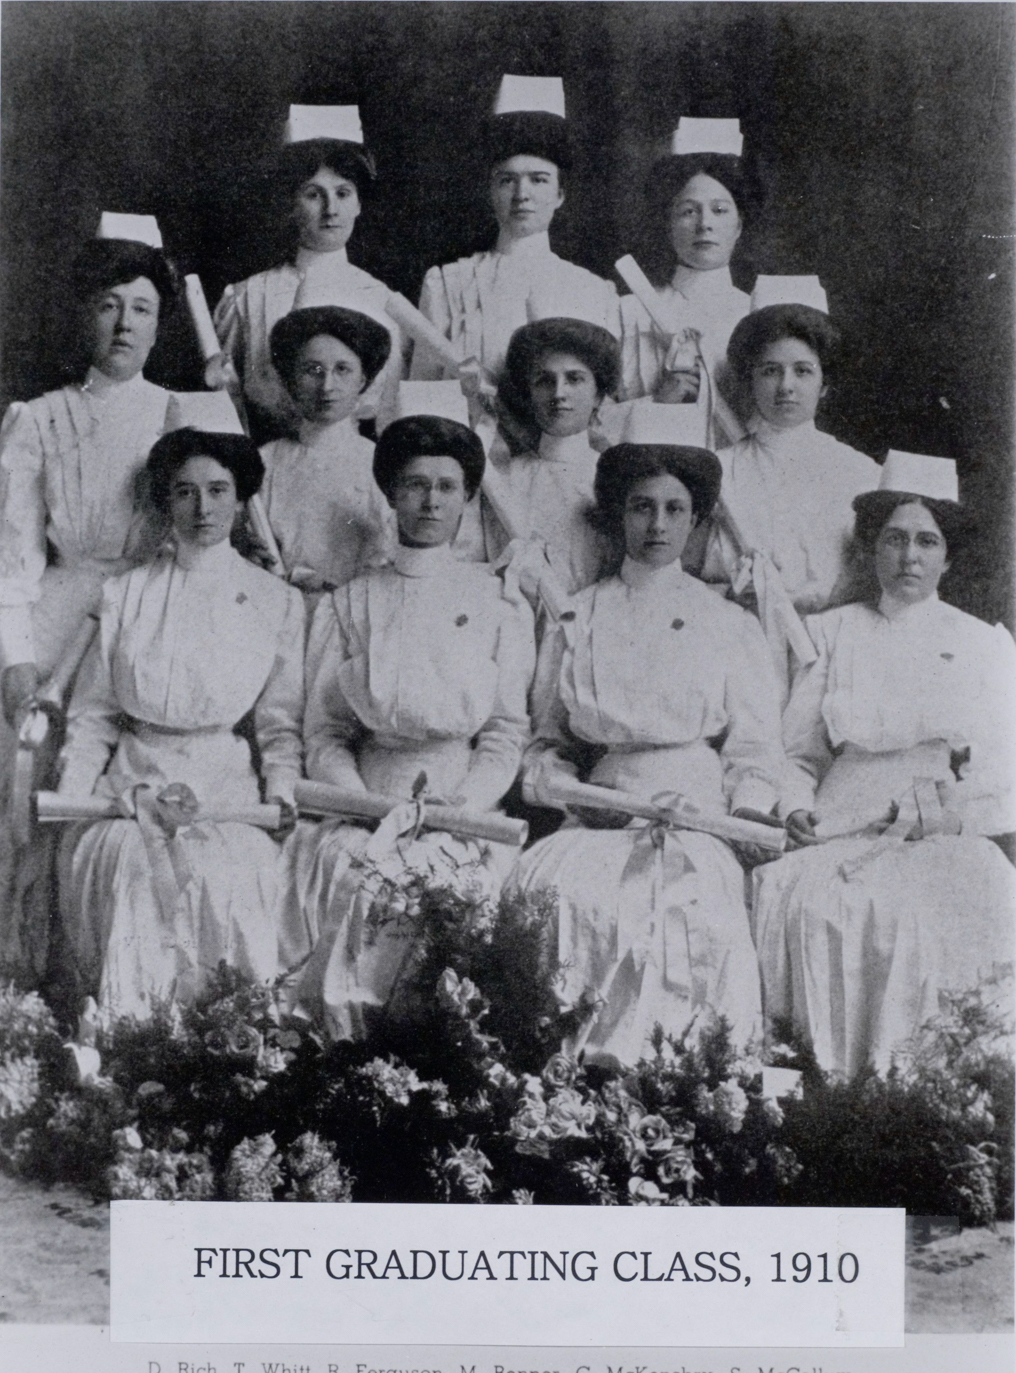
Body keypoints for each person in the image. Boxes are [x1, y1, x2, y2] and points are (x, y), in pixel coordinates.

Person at [510, 414, 784, 1066]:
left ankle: (685, 1088)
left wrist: (736, 822)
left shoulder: (727, 624)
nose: (657, 526)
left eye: (674, 509)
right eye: (641, 507)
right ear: (616, 515)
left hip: (696, 822)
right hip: (596, 820)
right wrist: (573, 796)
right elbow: (545, 746)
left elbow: (755, 753)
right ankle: (563, 1094)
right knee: (550, 894)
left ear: (697, 521)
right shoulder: (577, 616)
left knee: (684, 909)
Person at [753, 453, 1016, 1079]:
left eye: (927, 542)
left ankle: (919, 1102)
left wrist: (950, 817)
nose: (909, 557)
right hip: (835, 828)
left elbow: (1003, 770)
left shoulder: (982, 644)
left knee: (954, 909)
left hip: (933, 829)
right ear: (872, 548)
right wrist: (794, 808)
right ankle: (826, 1097)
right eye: (894, 539)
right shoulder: (830, 634)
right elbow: (798, 754)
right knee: (812, 905)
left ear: (948, 557)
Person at [278, 405, 536, 1040]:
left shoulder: (498, 604)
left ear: (469, 498)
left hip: (463, 807)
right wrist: (370, 805)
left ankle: (439, 1067)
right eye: (415, 485)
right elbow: (326, 731)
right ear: (390, 494)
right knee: (349, 875)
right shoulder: (349, 602)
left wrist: (460, 805)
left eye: (447, 487)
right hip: (364, 805)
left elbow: (504, 732)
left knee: (461, 885)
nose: (430, 501)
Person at [55, 426, 304, 1021]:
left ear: (241, 499)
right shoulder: (126, 595)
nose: (203, 509)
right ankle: (133, 1041)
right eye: (185, 492)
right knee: (127, 863)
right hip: (131, 787)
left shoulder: (275, 600)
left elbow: (279, 725)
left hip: (226, 791)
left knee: (228, 870)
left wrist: (282, 792)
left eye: (219, 491)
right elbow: (93, 717)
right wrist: (71, 797)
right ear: (164, 501)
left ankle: (230, 1050)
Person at [0, 222, 180, 721]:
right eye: (109, 305)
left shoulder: (180, 415)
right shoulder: (39, 419)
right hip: (55, 628)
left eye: (141, 309)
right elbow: (10, 562)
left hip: (152, 623)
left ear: (158, 325)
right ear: (85, 316)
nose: (124, 324)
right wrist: (16, 663)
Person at [700, 283, 881, 695]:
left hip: (833, 662)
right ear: (748, 380)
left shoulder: (862, 475)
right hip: (734, 658)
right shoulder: (717, 474)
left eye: (802, 370)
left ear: (825, 383)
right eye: (770, 370)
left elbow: (872, 586)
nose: (786, 386)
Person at [410, 76, 619, 399]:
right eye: (508, 181)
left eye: (538, 180)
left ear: (560, 194)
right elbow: (421, 394)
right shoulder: (448, 283)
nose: (522, 195)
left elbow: (608, 402)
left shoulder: (595, 291)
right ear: (491, 191)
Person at [213, 107, 404, 439]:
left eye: (343, 193)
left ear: (359, 204)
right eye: (314, 194)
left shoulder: (382, 301)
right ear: (291, 204)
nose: (331, 210)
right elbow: (225, 404)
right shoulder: (248, 297)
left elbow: (392, 410)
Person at [619, 118, 751, 448]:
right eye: (688, 212)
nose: (705, 224)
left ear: (739, 225)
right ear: (668, 223)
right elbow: (593, 425)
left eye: (720, 210)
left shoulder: (758, 312)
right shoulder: (628, 311)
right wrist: (657, 403)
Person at [478, 317, 620, 597]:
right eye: (544, 380)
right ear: (529, 394)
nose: (558, 393)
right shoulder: (500, 478)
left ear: (598, 395)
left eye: (574, 379)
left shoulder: (616, 478)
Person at [259, 306, 395, 596]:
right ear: (291, 380)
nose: (327, 386)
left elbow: (389, 557)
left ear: (362, 380)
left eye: (342, 370)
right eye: (313, 370)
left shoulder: (382, 462)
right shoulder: (265, 461)